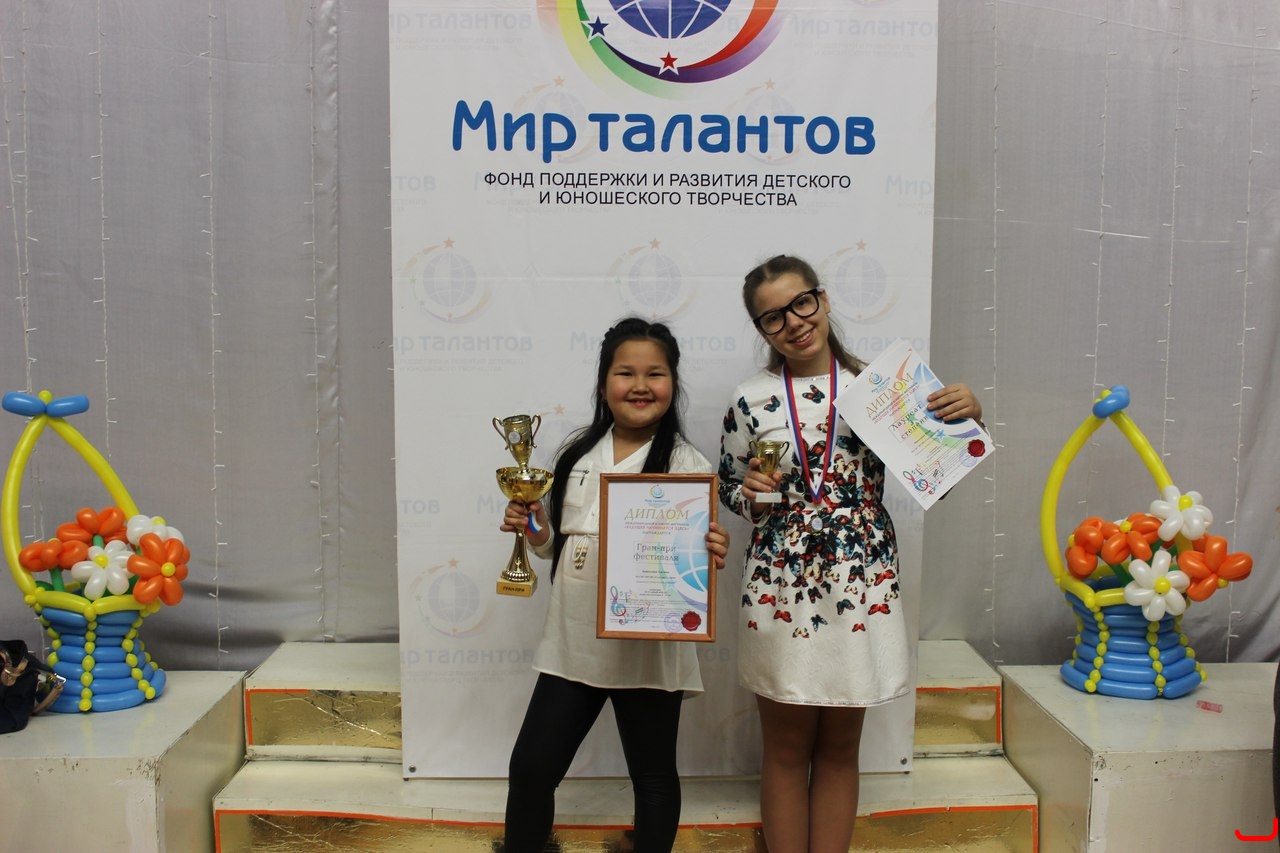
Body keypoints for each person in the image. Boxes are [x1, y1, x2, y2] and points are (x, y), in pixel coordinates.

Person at [717, 255, 983, 853]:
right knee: (786, 748)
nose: (793, 322)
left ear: (824, 299)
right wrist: (751, 494)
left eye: (801, 303)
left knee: (840, 748)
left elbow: (940, 476)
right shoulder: (750, 398)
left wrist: (968, 420)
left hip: (861, 578)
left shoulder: (883, 390)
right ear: (762, 330)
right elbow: (729, 485)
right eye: (772, 317)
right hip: (780, 579)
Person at [499, 317, 730, 853]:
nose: (640, 385)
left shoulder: (687, 465)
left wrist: (707, 553)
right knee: (531, 767)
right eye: (626, 372)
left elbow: (687, 566)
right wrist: (533, 526)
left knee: (653, 776)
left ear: (673, 383)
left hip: (649, 649)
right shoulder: (577, 455)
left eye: (656, 373)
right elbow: (554, 547)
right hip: (574, 641)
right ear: (604, 382)